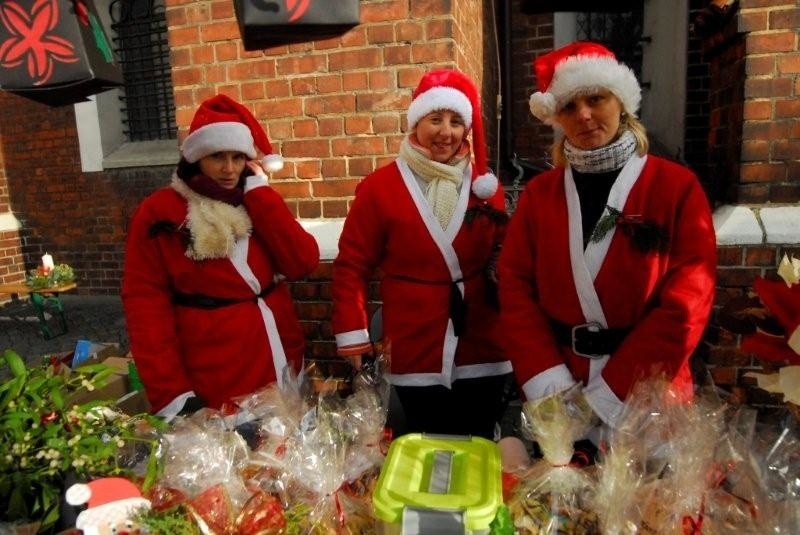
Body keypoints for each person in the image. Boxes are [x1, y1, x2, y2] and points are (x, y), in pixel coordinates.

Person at [498, 42, 717, 435]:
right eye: (568, 106)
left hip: (649, 390)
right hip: (562, 389)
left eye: (596, 98)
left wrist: (613, 393)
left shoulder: (676, 187)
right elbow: (515, 287)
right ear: (557, 119)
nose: (583, 115)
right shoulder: (539, 195)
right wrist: (551, 384)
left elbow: (688, 299)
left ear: (621, 102)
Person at [332, 69, 513, 439]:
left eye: (456, 121)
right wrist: (354, 334)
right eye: (435, 119)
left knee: (479, 439)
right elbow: (352, 264)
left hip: (482, 340)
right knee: (425, 440)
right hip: (416, 338)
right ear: (417, 122)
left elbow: (507, 252)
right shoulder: (378, 188)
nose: (446, 132)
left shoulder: (485, 188)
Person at [121, 94, 320, 418]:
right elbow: (145, 305)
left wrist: (260, 194)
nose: (230, 169)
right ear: (196, 157)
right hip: (217, 372)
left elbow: (302, 262)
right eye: (217, 157)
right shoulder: (160, 213)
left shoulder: (255, 201)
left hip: (280, 356)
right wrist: (174, 394)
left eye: (238, 158)